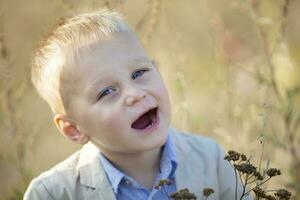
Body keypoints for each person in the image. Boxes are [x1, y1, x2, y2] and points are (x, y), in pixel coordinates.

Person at [24, 9, 251, 200]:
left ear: (158, 71)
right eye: (107, 91)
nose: (135, 94)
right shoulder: (51, 193)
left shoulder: (210, 159)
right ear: (74, 129)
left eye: (139, 72)